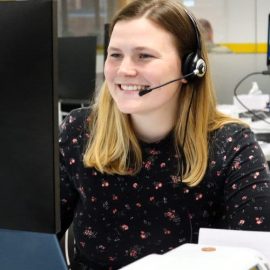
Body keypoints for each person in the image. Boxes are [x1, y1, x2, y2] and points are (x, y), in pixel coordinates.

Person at [58, 0, 270, 269]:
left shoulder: (230, 144)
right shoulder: (81, 130)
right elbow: (34, 234)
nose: (124, 70)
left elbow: (255, 254)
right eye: (115, 54)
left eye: (144, 55)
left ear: (190, 68)